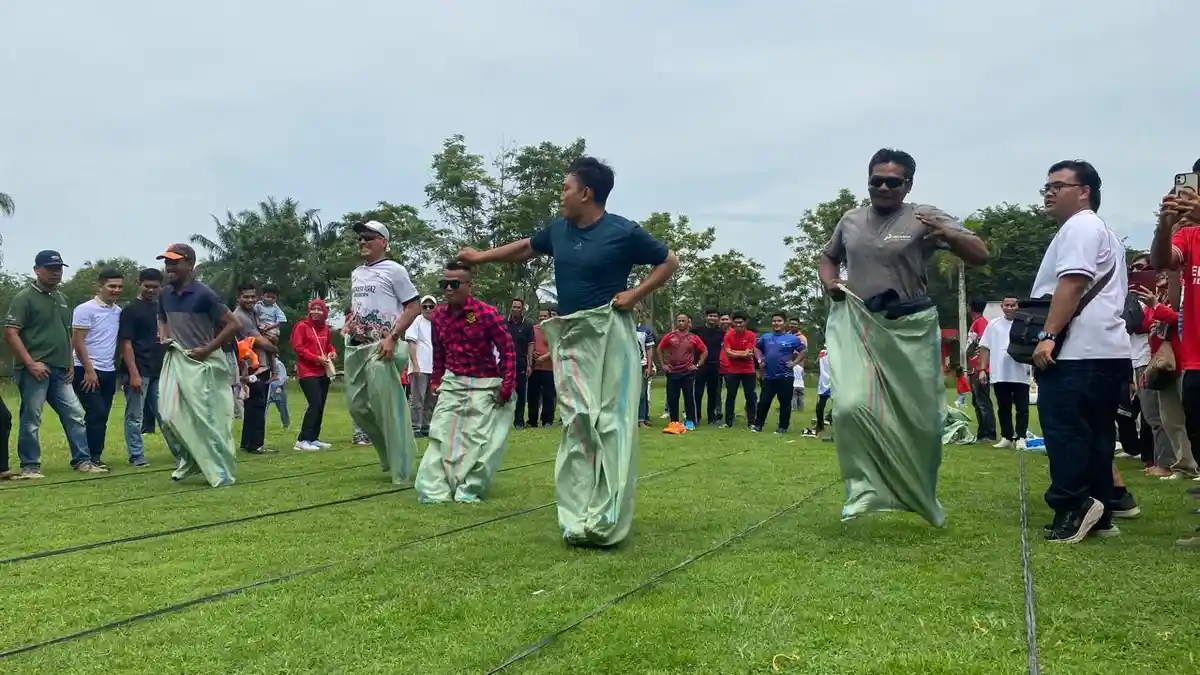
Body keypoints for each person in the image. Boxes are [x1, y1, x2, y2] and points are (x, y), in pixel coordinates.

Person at [456, 156, 678, 547]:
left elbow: (668, 261)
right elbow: (525, 248)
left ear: (586, 193)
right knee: (577, 421)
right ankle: (577, 518)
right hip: (573, 337)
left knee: (610, 424)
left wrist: (635, 293)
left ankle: (606, 518)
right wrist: (479, 257)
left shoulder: (623, 232)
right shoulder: (559, 230)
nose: (561, 195)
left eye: (565, 188)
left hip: (610, 335)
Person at [819, 148, 989, 526]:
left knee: (924, 421)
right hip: (860, 322)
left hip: (912, 327)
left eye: (893, 181)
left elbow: (980, 253)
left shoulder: (923, 216)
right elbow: (828, 256)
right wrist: (829, 281)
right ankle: (864, 492)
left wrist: (945, 233)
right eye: (875, 180)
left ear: (908, 184)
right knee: (849, 408)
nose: (883, 186)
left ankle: (922, 497)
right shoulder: (850, 220)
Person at [1032, 160, 1132, 543]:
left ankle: (1073, 507)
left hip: (1076, 351)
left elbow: (1072, 284)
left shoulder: (1079, 227)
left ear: (1085, 191)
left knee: (1067, 433)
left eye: (1059, 185)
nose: (1050, 193)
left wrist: (1048, 335)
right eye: (1046, 187)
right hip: (1108, 350)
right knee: (1097, 435)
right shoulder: (1103, 232)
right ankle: (1101, 512)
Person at [416, 262, 517, 503]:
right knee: (440, 433)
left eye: (454, 284)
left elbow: (508, 351)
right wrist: (436, 381)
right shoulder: (438, 315)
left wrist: (506, 386)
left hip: (484, 383)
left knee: (478, 442)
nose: (448, 289)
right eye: (444, 284)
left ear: (469, 285)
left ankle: (468, 489)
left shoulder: (486, 313)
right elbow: (438, 350)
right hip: (452, 382)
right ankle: (434, 491)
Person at [4, 250, 97, 477]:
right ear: (37, 270)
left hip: (60, 369)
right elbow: (10, 333)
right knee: (32, 417)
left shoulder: (62, 299)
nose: (56, 273)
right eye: (50, 269)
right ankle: (30, 466)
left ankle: (82, 461)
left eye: (59, 269)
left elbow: (67, 333)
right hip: (34, 370)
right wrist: (30, 363)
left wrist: (69, 363)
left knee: (74, 413)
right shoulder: (24, 297)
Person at [156, 243, 240, 487]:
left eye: (175, 262)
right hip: (176, 358)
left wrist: (208, 349)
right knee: (168, 415)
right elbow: (161, 317)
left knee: (207, 418)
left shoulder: (204, 294)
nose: (169, 267)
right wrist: (163, 335)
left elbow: (234, 325)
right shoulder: (164, 294)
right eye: (167, 262)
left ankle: (220, 471)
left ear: (190, 265)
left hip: (203, 362)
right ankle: (191, 461)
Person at [344, 220, 421, 484]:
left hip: (385, 346)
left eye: (369, 237)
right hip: (356, 345)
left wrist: (392, 337)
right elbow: (363, 305)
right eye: (360, 238)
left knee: (386, 406)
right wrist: (350, 323)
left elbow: (413, 307)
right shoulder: (357, 273)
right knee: (357, 407)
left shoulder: (395, 270)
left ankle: (401, 469)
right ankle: (389, 453)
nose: (363, 241)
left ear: (383, 242)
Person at [118, 268, 173, 467]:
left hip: (158, 369)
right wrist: (133, 374)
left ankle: (180, 452)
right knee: (135, 416)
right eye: (147, 286)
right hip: (138, 370)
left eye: (155, 287)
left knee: (166, 415)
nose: (151, 290)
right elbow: (126, 344)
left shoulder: (161, 307)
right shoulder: (131, 309)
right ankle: (136, 455)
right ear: (138, 284)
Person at [71, 268, 124, 469]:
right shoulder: (85, 309)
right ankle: (85, 458)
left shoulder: (117, 311)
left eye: (119, 286)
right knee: (96, 412)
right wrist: (89, 369)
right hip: (85, 369)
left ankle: (94, 456)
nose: (116, 290)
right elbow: (78, 342)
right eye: (112, 286)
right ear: (100, 286)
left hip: (108, 370)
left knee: (102, 416)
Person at [978, 297, 1032, 449]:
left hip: (1021, 371)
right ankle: (1007, 436)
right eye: (1006, 305)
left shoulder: (1024, 323)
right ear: (1002, 307)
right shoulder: (994, 324)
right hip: (1000, 372)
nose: (1009, 308)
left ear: (1017, 306)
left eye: (1012, 305)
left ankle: (1021, 437)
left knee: (1022, 407)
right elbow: (985, 347)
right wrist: (982, 369)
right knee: (1003, 406)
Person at [232, 283, 278, 454]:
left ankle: (248, 443)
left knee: (252, 405)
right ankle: (256, 444)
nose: (250, 299)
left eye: (253, 296)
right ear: (238, 298)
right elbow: (259, 340)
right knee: (257, 404)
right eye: (246, 296)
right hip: (252, 367)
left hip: (258, 364)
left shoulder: (254, 312)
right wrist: (273, 347)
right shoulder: (241, 316)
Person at [290, 298, 337, 452]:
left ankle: (313, 438)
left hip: (323, 370)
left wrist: (332, 352)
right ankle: (302, 440)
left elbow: (328, 344)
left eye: (320, 309)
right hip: (307, 371)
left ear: (325, 312)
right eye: (313, 309)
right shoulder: (302, 326)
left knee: (321, 405)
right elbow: (298, 348)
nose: (316, 312)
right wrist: (316, 358)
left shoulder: (325, 329)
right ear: (309, 310)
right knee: (315, 403)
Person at [753, 312, 805, 434]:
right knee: (764, 402)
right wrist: (760, 359)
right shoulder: (766, 337)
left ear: (785, 323)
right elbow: (756, 348)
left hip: (786, 376)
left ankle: (782, 427)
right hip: (769, 376)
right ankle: (758, 426)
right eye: (774, 321)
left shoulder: (793, 338)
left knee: (785, 403)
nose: (776, 323)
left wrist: (794, 362)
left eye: (779, 321)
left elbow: (803, 351)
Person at [659, 313, 707, 433]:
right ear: (676, 322)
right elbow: (660, 349)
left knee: (689, 398)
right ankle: (674, 422)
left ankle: (690, 421)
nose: (681, 323)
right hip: (672, 372)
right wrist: (663, 364)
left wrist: (697, 365)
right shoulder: (670, 336)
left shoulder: (693, 337)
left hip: (688, 373)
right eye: (679, 320)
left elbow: (704, 351)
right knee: (672, 398)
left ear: (688, 322)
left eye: (683, 321)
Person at [405, 296, 437, 438]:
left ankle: (425, 425)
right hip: (420, 367)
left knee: (431, 400)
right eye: (425, 306)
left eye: (431, 306)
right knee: (418, 400)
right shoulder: (417, 321)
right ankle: (414, 427)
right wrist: (415, 365)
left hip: (434, 367)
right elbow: (411, 344)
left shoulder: (438, 324)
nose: (428, 309)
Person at [966, 299, 997, 442]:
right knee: (977, 401)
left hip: (980, 368)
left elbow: (985, 345)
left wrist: (981, 368)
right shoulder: (976, 323)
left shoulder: (981, 323)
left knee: (983, 401)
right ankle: (981, 432)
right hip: (973, 368)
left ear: (971, 307)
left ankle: (989, 433)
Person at [720, 312, 757, 428]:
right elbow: (728, 353)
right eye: (736, 322)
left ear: (745, 323)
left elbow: (749, 353)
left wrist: (735, 353)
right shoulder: (728, 336)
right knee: (731, 396)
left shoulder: (751, 335)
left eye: (740, 322)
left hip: (748, 370)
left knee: (750, 396)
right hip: (732, 370)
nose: (738, 324)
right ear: (732, 323)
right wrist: (741, 354)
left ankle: (751, 422)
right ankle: (728, 422)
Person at [692, 308, 725, 426]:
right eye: (710, 316)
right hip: (700, 365)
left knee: (713, 393)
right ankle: (696, 416)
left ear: (718, 318)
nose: (712, 318)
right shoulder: (697, 331)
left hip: (714, 366)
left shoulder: (721, 332)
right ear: (705, 317)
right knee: (698, 393)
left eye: (715, 316)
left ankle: (711, 418)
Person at [505, 298, 534, 429]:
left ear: (522, 309)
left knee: (521, 395)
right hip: (504, 364)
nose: (515, 309)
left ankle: (519, 421)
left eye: (518, 307)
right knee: (502, 393)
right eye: (514, 307)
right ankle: (501, 422)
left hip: (521, 364)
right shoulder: (504, 323)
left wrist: (529, 364)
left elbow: (530, 345)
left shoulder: (527, 325)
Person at [527, 307, 557, 427]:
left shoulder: (553, 330)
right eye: (541, 316)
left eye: (545, 316)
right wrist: (532, 354)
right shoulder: (533, 329)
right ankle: (532, 420)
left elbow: (556, 346)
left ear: (549, 316)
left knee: (548, 395)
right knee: (533, 395)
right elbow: (529, 343)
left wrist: (544, 357)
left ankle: (547, 420)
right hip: (534, 368)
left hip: (549, 368)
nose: (542, 318)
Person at [254, 284, 286, 380]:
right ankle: (274, 373)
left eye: (273, 298)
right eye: (268, 297)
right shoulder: (258, 305)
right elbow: (253, 313)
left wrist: (270, 327)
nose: (270, 299)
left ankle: (265, 365)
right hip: (261, 328)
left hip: (271, 330)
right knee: (269, 352)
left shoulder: (275, 308)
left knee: (263, 345)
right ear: (262, 296)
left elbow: (281, 320)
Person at [267, 357, 290, 429]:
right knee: (264, 408)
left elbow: (282, 377)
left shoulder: (278, 364)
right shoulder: (268, 364)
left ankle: (286, 425)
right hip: (269, 389)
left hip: (278, 390)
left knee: (282, 409)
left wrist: (279, 387)